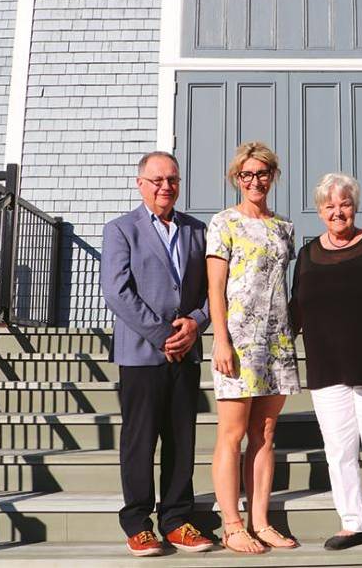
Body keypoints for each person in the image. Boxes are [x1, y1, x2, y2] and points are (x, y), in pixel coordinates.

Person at [100, 151, 216, 557]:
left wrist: (197, 323)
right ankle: (137, 522)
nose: (166, 186)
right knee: (140, 439)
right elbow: (117, 291)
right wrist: (163, 334)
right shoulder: (120, 230)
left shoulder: (197, 230)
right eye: (157, 180)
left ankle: (177, 519)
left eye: (173, 179)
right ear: (140, 184)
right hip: (141, 353)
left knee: (181, 440)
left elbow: (211, 291)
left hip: (187, 351)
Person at [289, 172, 362, 554]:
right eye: (330, 205)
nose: (337, 212)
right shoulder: (306, 255)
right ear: (320, 210)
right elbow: (296, 311)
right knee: (338, 450)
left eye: (344, 204)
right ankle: (352, 523)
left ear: (354, 207)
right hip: (326, 370)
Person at [206, 141, 302, 554]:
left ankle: (260, 521)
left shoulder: (285, 227)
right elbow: (215, 288)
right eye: (247, 174)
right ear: (236, 179)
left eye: (262, 173)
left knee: (265, 432)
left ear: (273, 176)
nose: (255, 181)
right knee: (233, 433)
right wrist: (221, 340)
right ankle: (231, 524)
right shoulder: (223, 223)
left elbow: (285, 285)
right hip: (239, 341)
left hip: (278, 341)